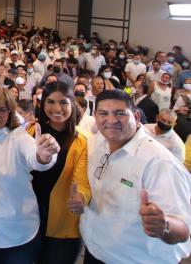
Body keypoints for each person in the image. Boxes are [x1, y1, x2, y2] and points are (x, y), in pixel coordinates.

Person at [81, 89, 191, 263]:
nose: (111, 120)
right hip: (96, 252)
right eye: (103, 113)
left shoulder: (161, 163)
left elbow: (183, 230)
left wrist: (164, 226)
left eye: (120, 113)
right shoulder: (95, 143)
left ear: (137, 117)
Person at [0, 85, 60, 264]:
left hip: (18, 232)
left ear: (10, 113)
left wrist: (44, 156)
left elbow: (36, 158)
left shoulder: (18, 138)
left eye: (2, 110)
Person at [30, 81, 90, 264]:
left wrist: (80, 197)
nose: (57, 108)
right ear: (42, 104)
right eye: (50, 102)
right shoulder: (31, 131)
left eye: (63, 102)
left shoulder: (81, 143)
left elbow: (82, 180)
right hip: (28, 220)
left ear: (72, 103)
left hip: (62, 225)